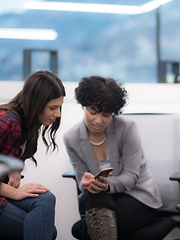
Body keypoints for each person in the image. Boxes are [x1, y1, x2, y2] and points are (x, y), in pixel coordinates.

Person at [63, 76, 162, 240]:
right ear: (83, 105)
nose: (98, 121)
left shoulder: (127, 128)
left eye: (106, 115)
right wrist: (85, 182)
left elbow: (131, 177)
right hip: (102, 200)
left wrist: (107, 185)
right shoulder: (71, 138)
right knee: (91, 197)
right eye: (93, 112)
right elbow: (81, 180)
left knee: (83, 228)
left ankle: (83, 230)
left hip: (138, 198)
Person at [0, 70, 65, 240]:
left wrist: (14, 163)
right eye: (52, 108)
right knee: (47, 232)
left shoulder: (27, 127)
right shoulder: (4, 121)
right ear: (36, 103)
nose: (58, 114)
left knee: (46, 198)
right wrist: (14, 193)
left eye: (59, 107)